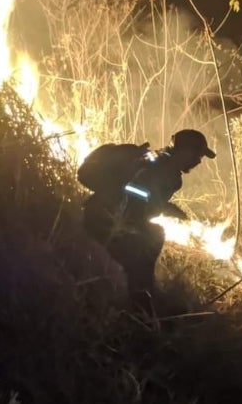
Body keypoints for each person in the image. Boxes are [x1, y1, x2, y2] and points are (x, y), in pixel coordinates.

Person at [83, 129, 216, 312]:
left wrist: (162, 207)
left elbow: (141, 197)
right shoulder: (163, 168)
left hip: (106, 214)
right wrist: (164, 208)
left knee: (150, 238)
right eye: (197, 155)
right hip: (107, 218)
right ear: (185, 151)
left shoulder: (159, 161)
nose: (198, 161)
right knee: (151, 239)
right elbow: (135, 192)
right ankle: (137, 304)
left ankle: (136, 298)